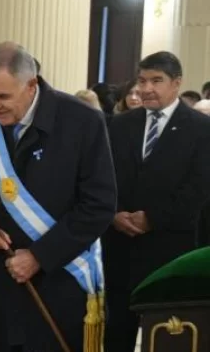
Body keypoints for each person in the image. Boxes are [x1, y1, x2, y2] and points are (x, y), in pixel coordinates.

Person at [0, 42, 116, 352]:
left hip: (59, 280)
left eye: (3, 96)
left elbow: (99, 205)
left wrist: (39, 256)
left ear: (31, 85)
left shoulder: (82, 121)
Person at [103, 51, 210, 352]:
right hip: (120, 247)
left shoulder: (201, 129)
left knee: (169, 333)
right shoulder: (119, 124)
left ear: (176, 83)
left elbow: (199, 188)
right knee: (117, 331)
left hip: (170, 248)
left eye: (156, 81)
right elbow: (103, 176)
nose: (146, 88)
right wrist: (114, 213)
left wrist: (153, 218)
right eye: (142, 81)